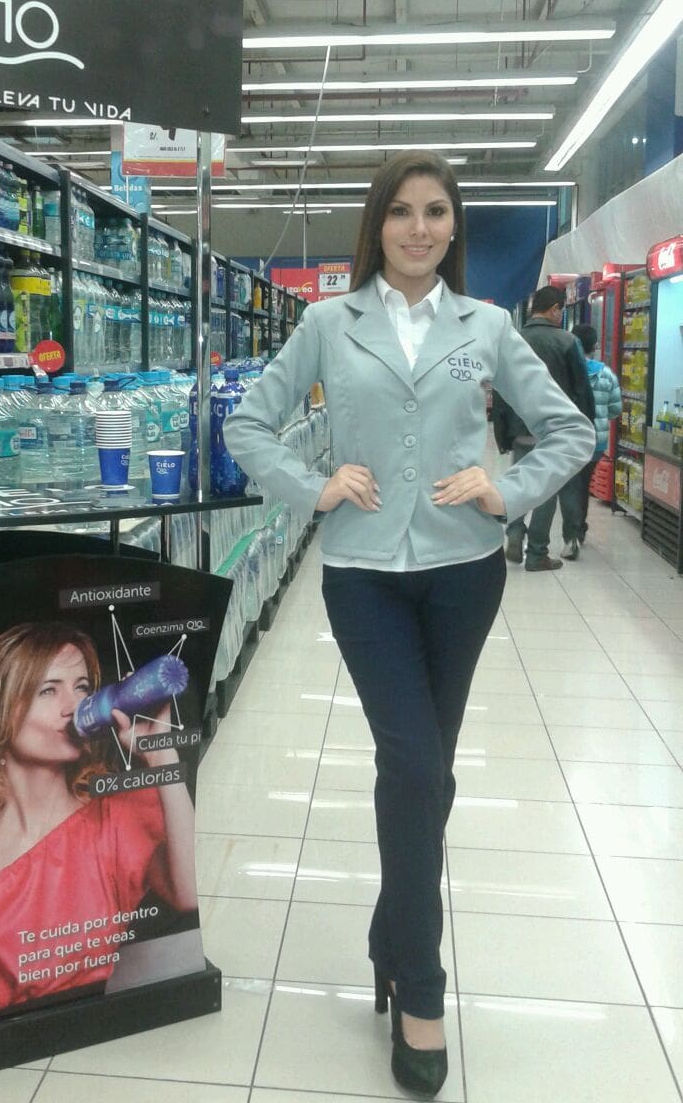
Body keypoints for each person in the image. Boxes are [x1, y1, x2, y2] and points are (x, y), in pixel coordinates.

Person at [223, 151, 595, 1098]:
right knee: (416, 762)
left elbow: (571, 432)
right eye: (402, 212)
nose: (420, 229)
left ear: (454, 227)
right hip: (364, 577)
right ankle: (420, 979)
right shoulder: (325, 324)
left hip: (466, 575)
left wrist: (505, 491)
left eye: (437, 213)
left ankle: (392, 936)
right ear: (375, 225)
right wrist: (313, 488)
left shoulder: (489, 326)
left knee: (431, 764)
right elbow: (248, 426)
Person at [0, 622, 198, 1042]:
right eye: (49, 690)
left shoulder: (116, 818)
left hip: (85, 1048)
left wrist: (162, 755)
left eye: (82, 687)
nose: (74, 705)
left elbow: (187, 895)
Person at [491, 286, 596, 569]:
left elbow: (500, 393)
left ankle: (514, 532)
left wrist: (502, 432)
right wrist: (584, 430)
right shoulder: (567, 341)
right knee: (544, 489)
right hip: (553, 429)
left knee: (517, 478)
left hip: (519, 428)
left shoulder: (514, 338)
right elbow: (581, 390)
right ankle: (537, 552)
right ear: (555, 310)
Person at [571, 323, 623, 546]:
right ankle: (578, 526)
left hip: (570, 440)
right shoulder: (607, 374)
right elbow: (615, 410)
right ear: (595, 346)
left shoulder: (567, 372)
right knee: (583, 484)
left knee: (571, 484)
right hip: (596, 442)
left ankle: (572, 527)